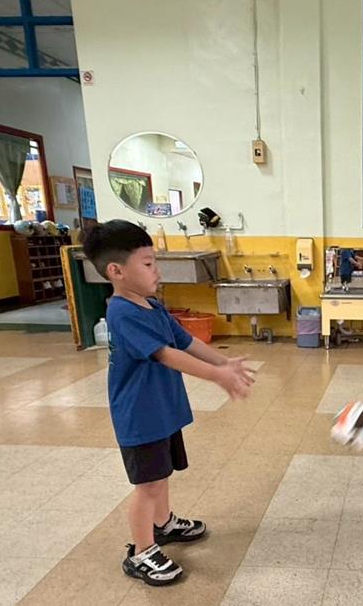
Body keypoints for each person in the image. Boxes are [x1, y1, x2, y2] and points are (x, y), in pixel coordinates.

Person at [83, 220, 256, 584]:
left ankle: (163, 525)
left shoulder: (151, 305)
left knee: (160, 476)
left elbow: (184, 341)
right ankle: (141, 551)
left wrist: (223, 362)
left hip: (160, 410)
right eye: (148, 264)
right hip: (139, 416)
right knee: (148, 485)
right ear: (116, 271)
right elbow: (166, 354)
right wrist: (217, 376)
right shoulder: (122, 312)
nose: (156, 270)